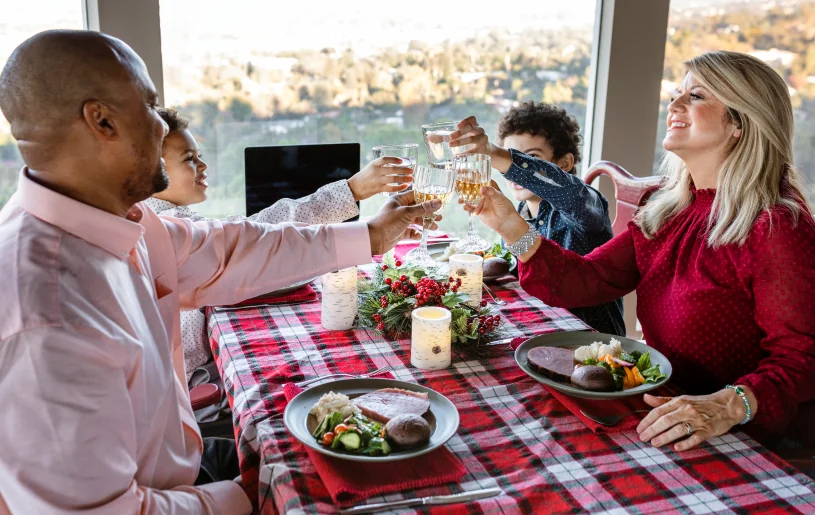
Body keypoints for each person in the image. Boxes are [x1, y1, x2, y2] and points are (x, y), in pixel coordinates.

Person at [0, 29, 441, 513]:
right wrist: (254, 495)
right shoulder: (47, 313)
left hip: (182, 464)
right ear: (101, 120)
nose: (159, 125)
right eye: (150, 106)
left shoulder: (117, 219)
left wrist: (373, 236)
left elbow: (233, 248)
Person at [453, 51, 815, 451]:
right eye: (676, 94)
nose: (674, 105)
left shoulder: (777, 226)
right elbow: (586, 280)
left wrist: (727, 406)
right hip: (661, 410)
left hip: (740, 438)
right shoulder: (671, 208)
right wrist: (511, 226)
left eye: (695, 96)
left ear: (740, 123)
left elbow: (802, 359)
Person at [145, 107, 412, 388]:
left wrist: (357, 202)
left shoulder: (161, 218)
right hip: (198, 380)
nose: (203, 165)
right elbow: (256, 238)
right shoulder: (167, 227)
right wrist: (357, 202)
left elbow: (252, 234)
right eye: (189, 158)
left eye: (199, 155)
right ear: (149, 168)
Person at [487, 101, 624, 336]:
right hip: (540, 332)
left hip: (592, 340)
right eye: (510, 157)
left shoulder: (584, 209)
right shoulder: (516, 212)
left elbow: (570, 194)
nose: (513, 172)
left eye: (532, 157)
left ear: (564, 163)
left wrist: (503, 158)